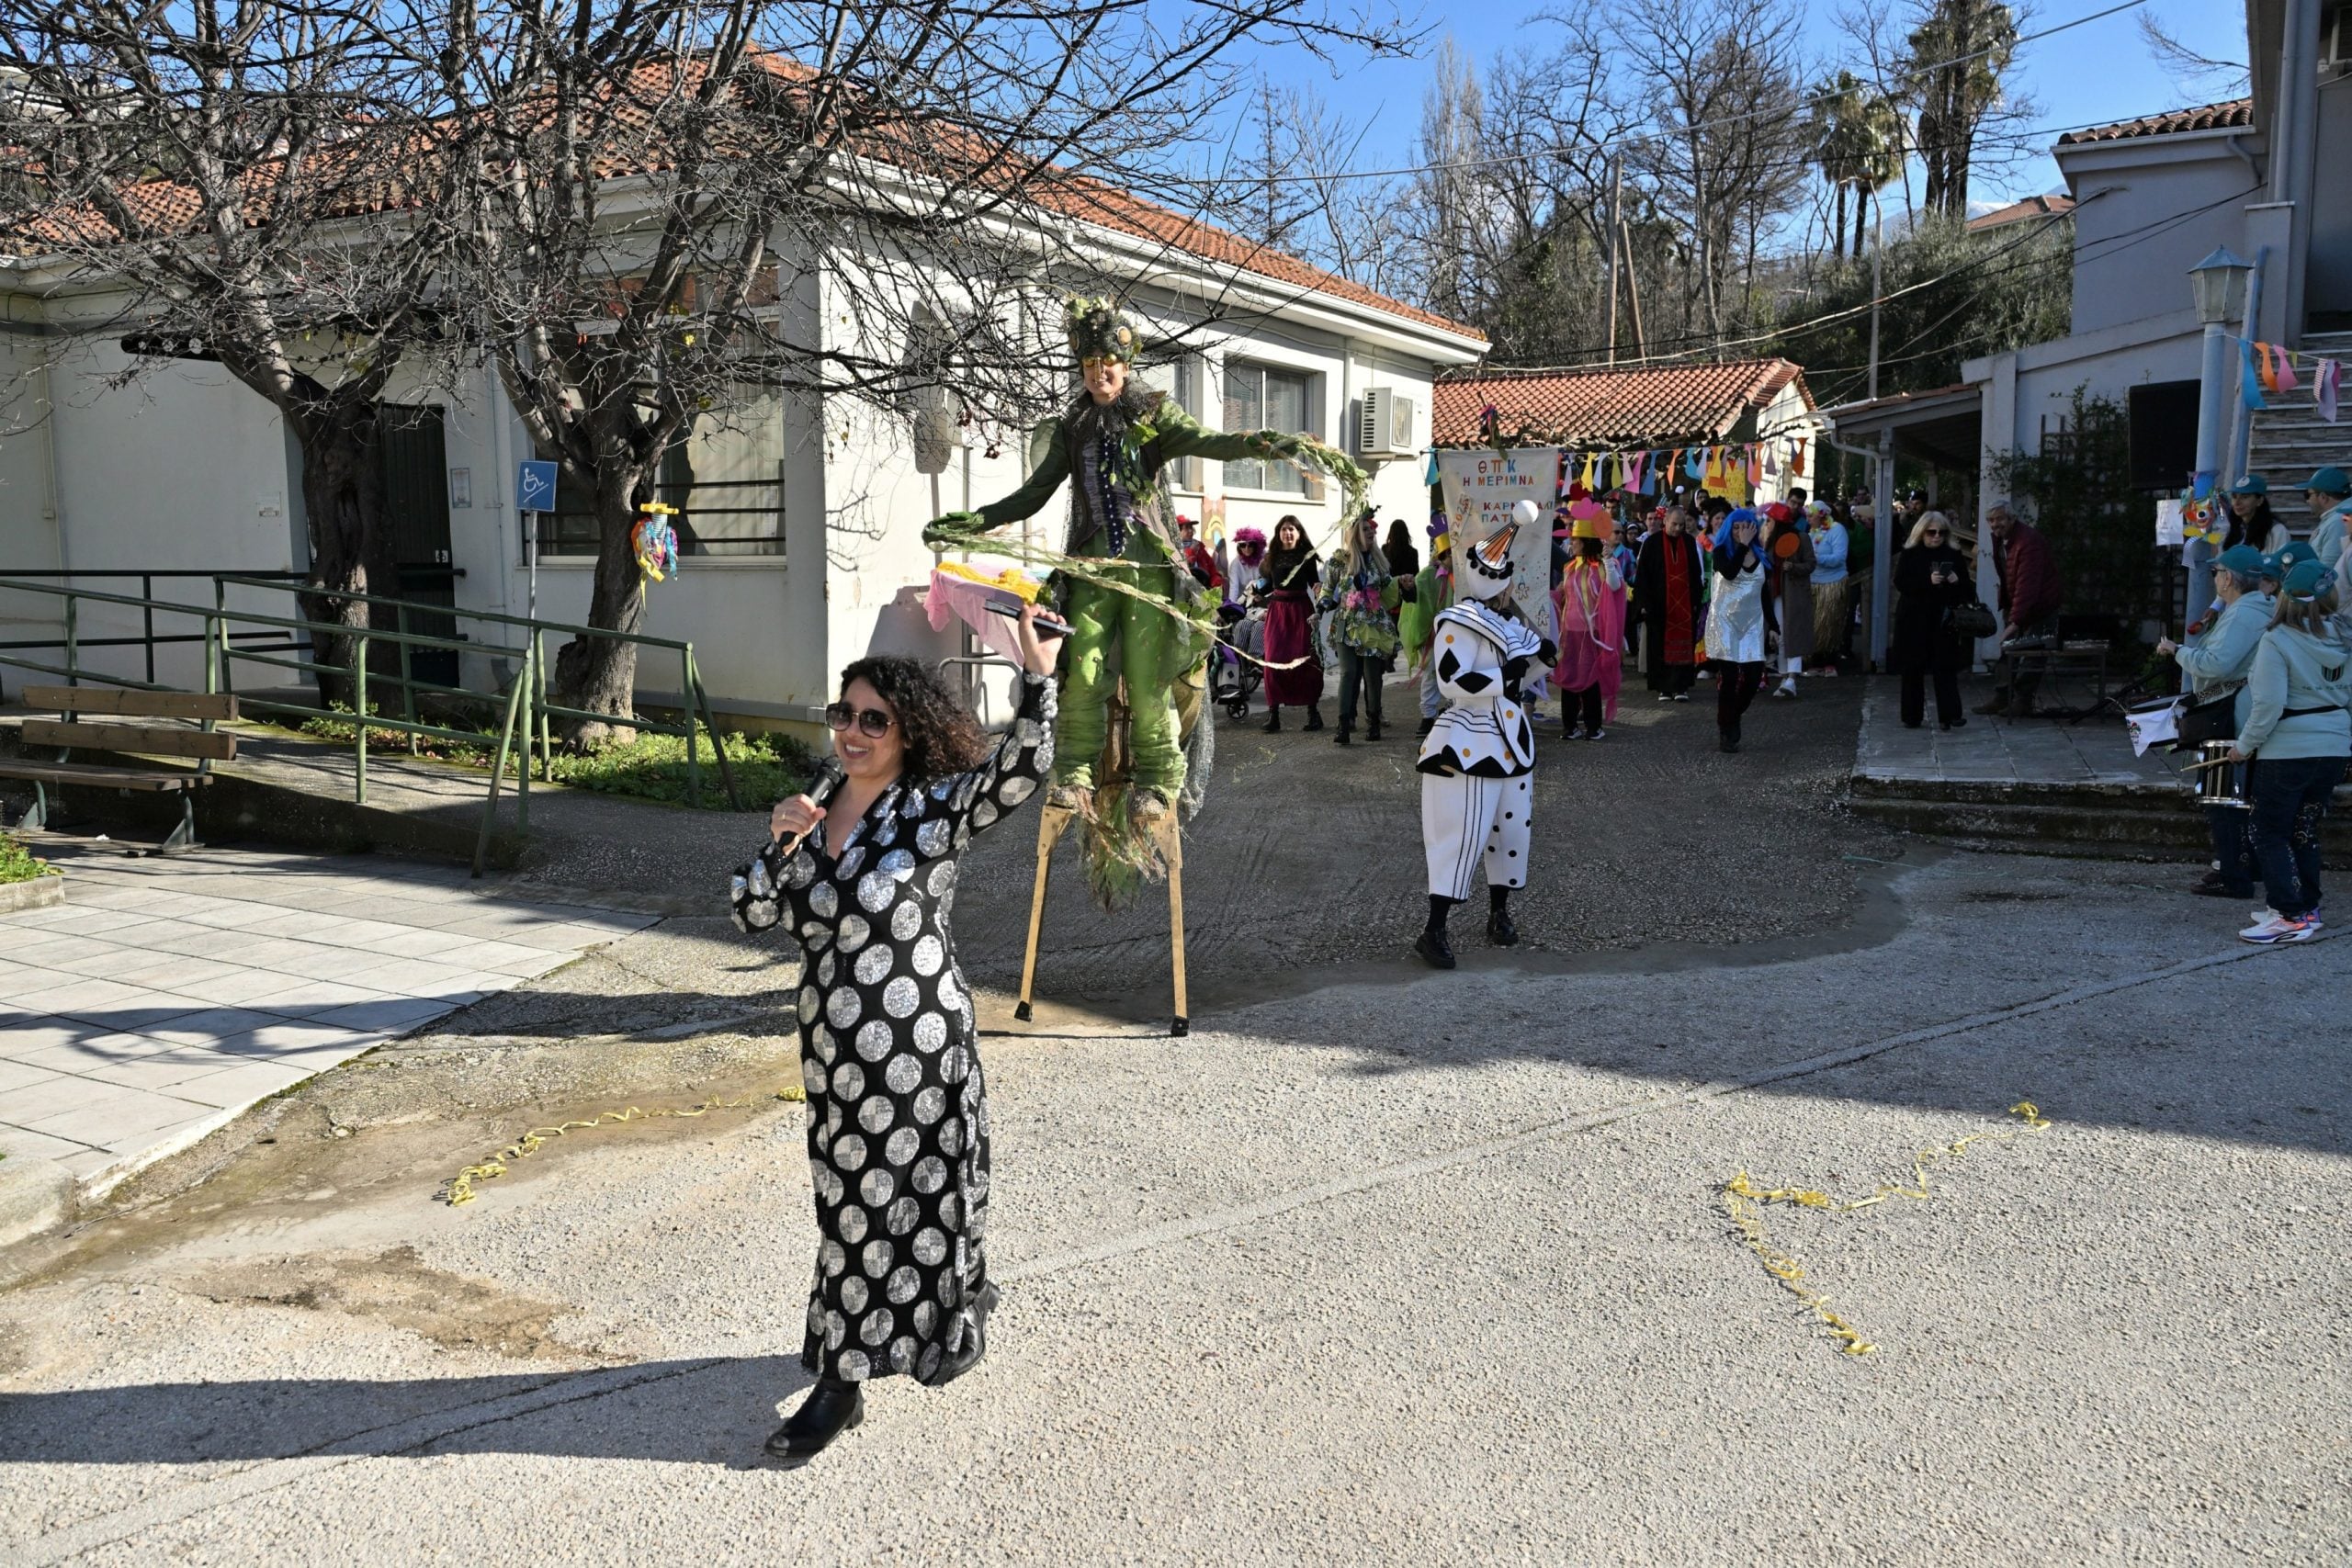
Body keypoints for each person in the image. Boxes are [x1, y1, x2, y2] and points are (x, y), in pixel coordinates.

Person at [733, 605, 1064, 1464]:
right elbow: (751, 910)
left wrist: (1039, 676)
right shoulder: (812, 812)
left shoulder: (930, 813)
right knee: (847, 1209)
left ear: (905, 731)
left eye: (872, 719)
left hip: (919, 1053)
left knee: (917, 1200)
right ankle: (861, 1357)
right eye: (842, 715)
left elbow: (1020, 773)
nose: (851, 731)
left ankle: (843, 1384)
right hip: (837, 1065)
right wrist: (779, 842)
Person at [925, 299, 1302, 825]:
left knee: (1149, 684)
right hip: (1092, 573)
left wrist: (1262, 444)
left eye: (1109, 363)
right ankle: (1073, 777)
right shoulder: (1073, 427)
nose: (1100, 374)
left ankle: (1157, 780)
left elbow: (1209, 442)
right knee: (1083, 674)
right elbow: (1033, 494)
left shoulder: (1153, 415)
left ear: (1126, 365)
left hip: (1149, 574)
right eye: (1089, 365)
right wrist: (977, 521)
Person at [1415, 502, 1556, 968]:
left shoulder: (1509, 623)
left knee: (1509, 830)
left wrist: (1539, 659)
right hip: (1469, 737)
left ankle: (1499, 914)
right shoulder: (1457, 620)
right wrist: (1507, 676)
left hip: (1512, 738)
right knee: (1462, 831)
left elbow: (1523, 668)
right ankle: (1434, 929)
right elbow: (1451, 680)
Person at [2227, 559, 2352, 943]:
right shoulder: (2343, 635)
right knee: (2304, 828)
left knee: (2268, 830)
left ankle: (2288, 914)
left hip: (2288, 748)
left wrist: (2243, 746)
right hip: (2334, 744)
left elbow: (2268, 705)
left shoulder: (2278, 639)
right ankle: (2306, 907)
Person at [2157, 545, 2275, 898]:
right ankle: (2244, 865)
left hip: (2228, 716)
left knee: (2222, 796)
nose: (2215, 580)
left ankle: (2233, 874)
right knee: (2239, 796)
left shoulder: (2243, 614)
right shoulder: (2258, 608)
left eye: (2216, 573)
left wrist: (2178, 651)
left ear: (2228, 579)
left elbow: (2217, 663)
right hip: (2239, 710)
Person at [1319, 511, 1403, 744]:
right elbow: (1328, 590)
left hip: (1373, 626)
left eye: (1372, 530)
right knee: (1347, 674)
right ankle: (1343, 726)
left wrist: (1405, 585)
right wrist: (1319, 609)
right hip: (1346, 625)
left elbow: (1389, 590)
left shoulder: (1379, 562)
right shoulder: (1340, 561)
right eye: (1366, 529)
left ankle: (1373, 722)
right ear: (1355, 533)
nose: (1371, 533)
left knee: (1372, 677)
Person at [1978, 502, 2063, 717]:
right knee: (2008, 652)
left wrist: (2015, 621)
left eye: (1999, 519)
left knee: (2033, 653)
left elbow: (2028, 583)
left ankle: (2022, 701)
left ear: (2011, 518)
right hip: (2018, 602)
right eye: (1991, 520)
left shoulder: (2028, 542)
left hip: (2040, 605)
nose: (1995, 524)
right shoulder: (2002, 540)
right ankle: (2003, 697)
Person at [1892, 512, 1973, 729]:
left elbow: (1966, 590)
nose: (1936, 537)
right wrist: (1927, 581)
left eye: (1941, 533)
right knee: (1912, 668)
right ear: (1922, 532)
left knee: (1945, 666)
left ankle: (1950, 714)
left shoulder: (1953, 554)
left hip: (1943, 618)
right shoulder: (1911, 553)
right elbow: (1901, 582)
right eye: (1932, 532)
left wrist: (1956, 580)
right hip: (1914, 618)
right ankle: (1912, 715)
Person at [1553, 501, 1626, 739]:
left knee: (1589, 680)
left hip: (1591, 633)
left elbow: (1615, 587)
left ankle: (1594, 727)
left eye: (1575, 539)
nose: (1571, 543)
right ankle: (1570, 726)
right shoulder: (1569, 567)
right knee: (1568, 678)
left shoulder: (1602, 566)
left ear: (1585, 541)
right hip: (1569, 633)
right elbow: (1562, 594)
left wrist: (1607, 560)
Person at [1707, 507, 1770, 752]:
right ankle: (1727, 730)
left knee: (1754, 677)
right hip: (1725, 621)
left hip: (1751, 622)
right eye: (1736, 527)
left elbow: (1763, 591)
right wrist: (1742, 546)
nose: (1740, 532)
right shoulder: (1721, 551)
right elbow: (1731, 573)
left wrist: (1773, 626)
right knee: (1730, 677)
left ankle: (1731, 716)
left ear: (1753, 528)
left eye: (1745, 527)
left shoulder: (1760, 554)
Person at [1255, 514, 1325, 732]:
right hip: (1277, 612)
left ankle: (1313, 713)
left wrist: (1320, 589)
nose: (1287, 533)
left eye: (1291, 529)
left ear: (1298, 532)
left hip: (1301, 610)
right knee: (1273, 660)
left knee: (1306, 658)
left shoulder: (1307, 556)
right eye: (1284, 529)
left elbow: (1315, 581)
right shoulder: (1272, 556)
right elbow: (1268, 585)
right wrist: (1257, 593)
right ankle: (1273, 713)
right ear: (1279, 533)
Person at [1634, 503, 1705, 701]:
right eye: (1674, 524)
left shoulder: (1690, 543)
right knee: (1659, 646)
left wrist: (1696, 601)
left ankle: (1681, 687)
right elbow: (1643, 576)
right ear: (1665, 521)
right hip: (1659, 605)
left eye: (1682, 525)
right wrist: (1644, 603)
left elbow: (1696, 573)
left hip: (1684, 605)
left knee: (1683, 646)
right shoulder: (1651, 543)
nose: (1678, 529)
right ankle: (1663, 687)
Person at [1405, 517, 1454, 738]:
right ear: (1442, 555)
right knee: (1430, 673)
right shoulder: (1427, 576)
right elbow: (1416, 598)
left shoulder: (1461, 576)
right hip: (1434, 635)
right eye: (1451, 553)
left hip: (1456, 634)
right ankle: (1428, 715)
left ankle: (1454, 708)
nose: (1455, 557)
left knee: (1454, 671)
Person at [1762, 501, 1815, 697]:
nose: (1767, 524)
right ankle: (1785, 676)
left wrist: (1794, 568)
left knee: (1793, 633)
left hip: (1794, 594)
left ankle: (1792, 677)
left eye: (1770, 520)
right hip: (1775, 594)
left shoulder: (1802, 538)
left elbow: (1811, 563)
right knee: (1780, 635)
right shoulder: (1770, 541)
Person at [1807, 500, 1851, 672]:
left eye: (1811, 515)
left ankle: (1829, 662)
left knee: (1829, 624)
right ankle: (1815, 661)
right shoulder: (1813, 532)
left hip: (1832, 583)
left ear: (1821, 516)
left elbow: (1840, 558)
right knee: (1814, 624)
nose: (1808, 519)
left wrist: (1816, 560)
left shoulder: (1837, 530)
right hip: (1814, 583)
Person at [2306, 467, 2352, 587]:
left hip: (2332, 600)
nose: (2307, 501)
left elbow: (2327, 571)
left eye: (2308, 495)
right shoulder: (2334, 518)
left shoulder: (2338, 521)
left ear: (2323, 497)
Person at [2224, 476, 2290, 556]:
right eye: (2234, 497)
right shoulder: (2234, 529)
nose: (2237, 503)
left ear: (2260, 501)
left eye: (2245, 497)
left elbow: (2282, 565)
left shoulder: (2277, 531)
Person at [1383, 518, 1421, 592]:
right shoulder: (1413, 552)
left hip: (1389, 590)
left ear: (1391, 533)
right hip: (1406, 591)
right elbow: (1415, 575)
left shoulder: (1385, 549)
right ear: (1406, 533)